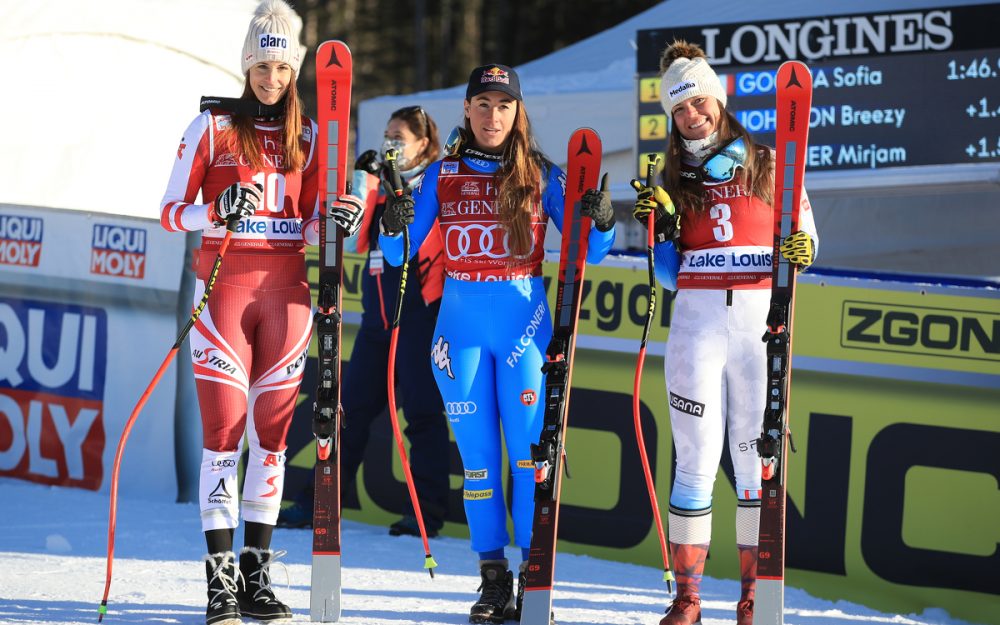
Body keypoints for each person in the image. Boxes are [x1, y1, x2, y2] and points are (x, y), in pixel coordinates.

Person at [378, 64, 616, 624]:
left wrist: (602, 221)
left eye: (503, 106)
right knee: (480, 465)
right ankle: (492, 579)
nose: (492, 116)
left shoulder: (540, 174)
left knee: (531, 459)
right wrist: (392, 222)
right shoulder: (441, 174)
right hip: (458, 332)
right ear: (466, 110)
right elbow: (398, 254)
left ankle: (535, 575)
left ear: (518, 112)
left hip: (523, 329)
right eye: (482, 104)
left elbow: (590, 250)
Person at [159, 2, 364, 623]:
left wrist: (338, 221)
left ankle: (256, 576)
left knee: (270, 444)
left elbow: (311, 224)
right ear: (246, 65)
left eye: (280, 66)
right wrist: (214, 208)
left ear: (294, 69)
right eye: (260, 66)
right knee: (223, 440)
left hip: (287, 294)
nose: (270, 78)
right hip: (223, 291)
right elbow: (169, 211)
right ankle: (219, 582)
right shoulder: (213, 128)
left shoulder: (309, 135)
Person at [630, 41, 818, 625]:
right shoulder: (668, 176)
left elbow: (808, 238)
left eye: (699, 101)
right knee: (695, 459)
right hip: (697, 325)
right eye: (680, 109)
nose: (692, 115)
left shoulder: (768, 159)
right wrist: (659, 232)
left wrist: (799, 248)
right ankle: (688, 599)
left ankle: (751, 594)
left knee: (751, 457)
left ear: (719, 97)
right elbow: (668, 274)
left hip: (758, 324)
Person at [277, 106, 451, 538]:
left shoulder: (433, 182)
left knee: (423, 414)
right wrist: (364, 179)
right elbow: (354, 240)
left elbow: (424, 240)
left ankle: (427, 513)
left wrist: (394, 190)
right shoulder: (378, 180)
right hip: (377, 320)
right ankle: (319, 501)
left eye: (400, 136)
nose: (391, 142)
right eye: (387, 134)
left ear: (424, 143)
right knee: (346, 412)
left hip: (419, 317)